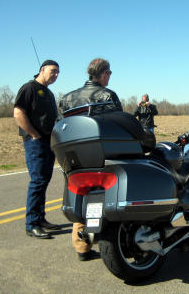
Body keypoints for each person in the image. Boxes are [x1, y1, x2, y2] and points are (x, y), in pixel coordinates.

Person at [59, 58, 122, 261]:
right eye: (109, 73)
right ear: (103, 73)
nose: (110, 76)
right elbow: (119, 125)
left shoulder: (67, 98)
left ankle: (82, 248)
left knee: (82, 194)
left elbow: (63, 126)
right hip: (104, 154)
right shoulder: (107, 95)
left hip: (75, 157)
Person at [14, 60, 61, 239]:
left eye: (58, 73)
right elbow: (18, 113)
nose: (55, 75)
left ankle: (40, 219)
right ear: (42, 69)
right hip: (36, 142)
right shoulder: (29, 88)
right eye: (53, 71)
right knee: (38, 181)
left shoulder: (48, 93)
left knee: (44, 181)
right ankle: (32, 224)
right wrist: (33, 134)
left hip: (48, 141)